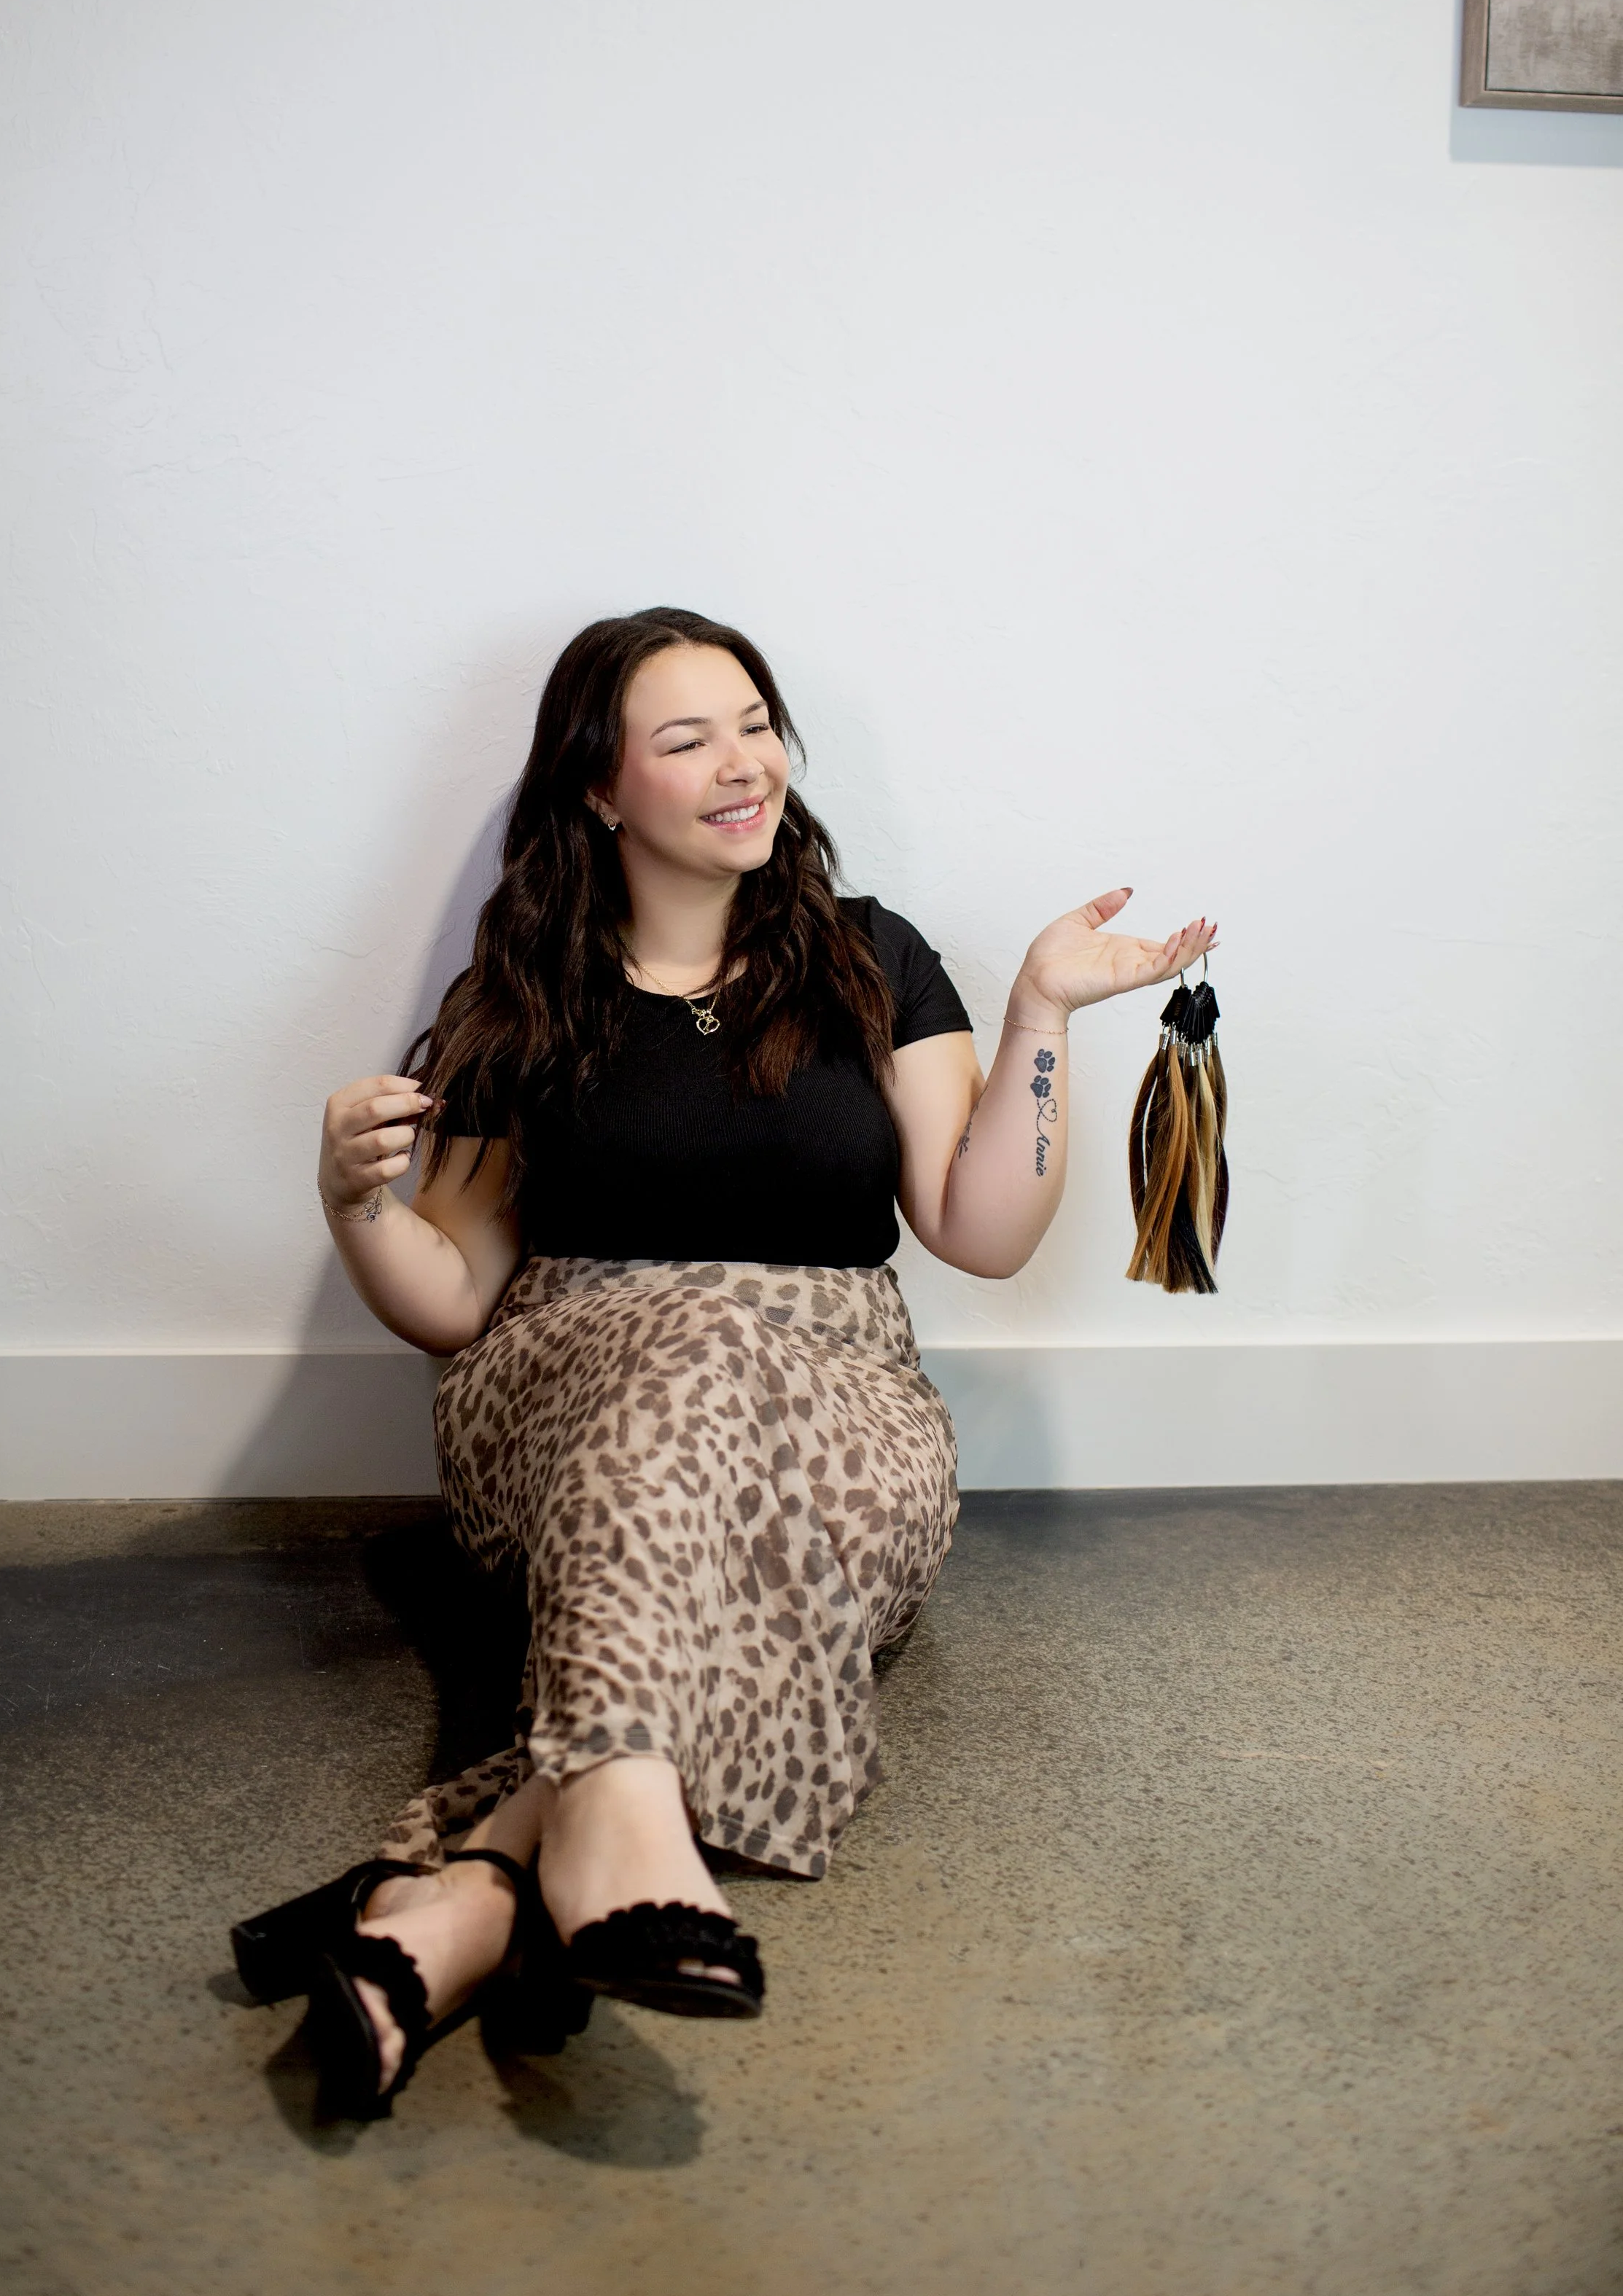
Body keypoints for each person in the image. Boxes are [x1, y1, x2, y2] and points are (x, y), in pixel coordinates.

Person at [229, 606, 1215, 2118]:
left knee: (726, 1351)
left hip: (841, 1416)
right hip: (569, 1393)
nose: (742, 763)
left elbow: (980, 1229)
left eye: (754, 722)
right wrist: (348, 1198)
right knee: (689, 1339)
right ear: (598, 793)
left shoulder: (871, 959)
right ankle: (625, 1835)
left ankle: (460, 1905)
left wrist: (1039, 1014)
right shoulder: (523, 1000)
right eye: (686, 740)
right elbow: (446, 1299)